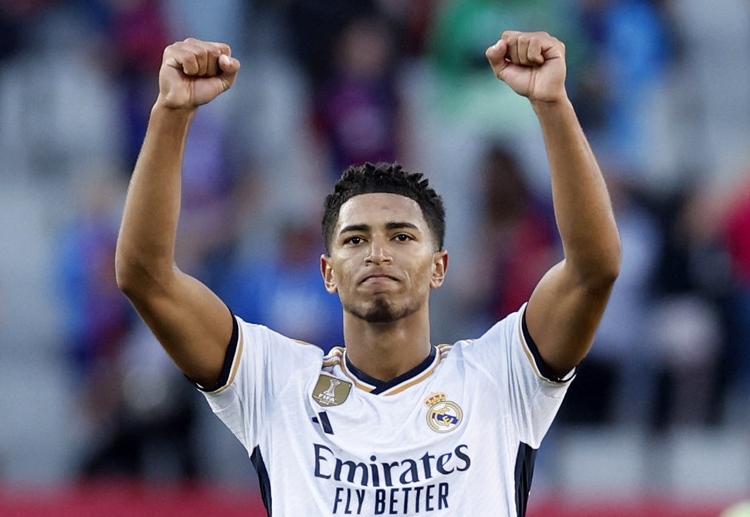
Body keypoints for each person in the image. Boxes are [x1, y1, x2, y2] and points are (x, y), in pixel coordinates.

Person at [115, 31, 621, 516]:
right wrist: (171, 113)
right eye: (355, 239)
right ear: (328, 272)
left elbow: (593, 269)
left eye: (401, 237)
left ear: (439, 267)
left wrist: (553, 104)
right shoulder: (276, 384)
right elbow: (145, 278)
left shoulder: (499, 375)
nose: (378, 253)